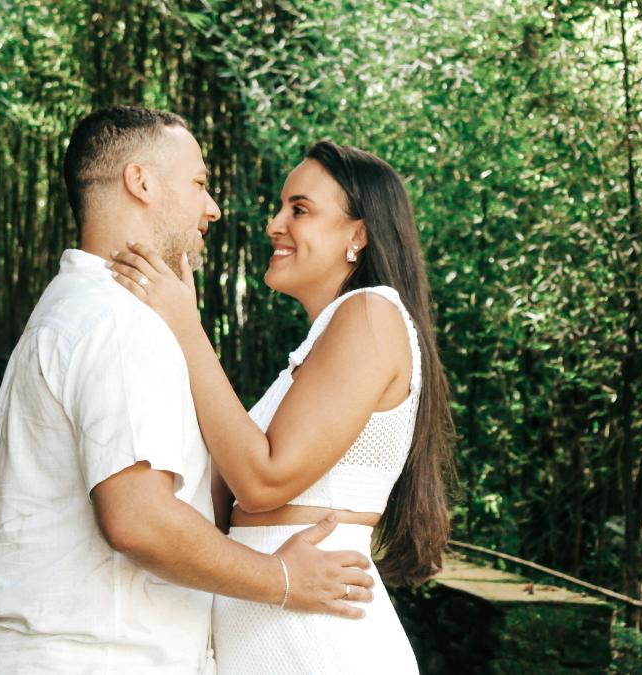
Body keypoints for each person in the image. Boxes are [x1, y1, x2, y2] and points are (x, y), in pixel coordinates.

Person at [0, 108, 377, 675]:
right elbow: (139, 518)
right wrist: (282, 580)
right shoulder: (116, 319)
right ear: (141, 181)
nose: (213, 208)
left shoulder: (80, 305)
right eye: (200, 184)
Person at [109, 140, 457, 674]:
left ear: (357, 235)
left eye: (300, 209)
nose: (275, 224)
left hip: (322, 642)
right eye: (281, 207)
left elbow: (265, 481)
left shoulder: (371, 314)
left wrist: (186, 326)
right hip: (282, 631)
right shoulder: (315, 351)